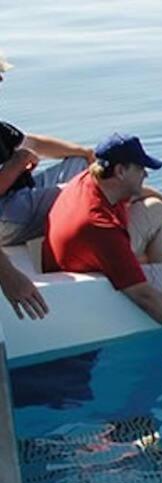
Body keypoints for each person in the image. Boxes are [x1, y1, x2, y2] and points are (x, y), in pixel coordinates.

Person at [43, 133, 162, 343]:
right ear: (120, 171)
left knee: (156, 209)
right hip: (86, 273)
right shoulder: (100, 226)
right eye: (140, 168)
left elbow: (139, 191)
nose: (146, 174)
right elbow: (142, 295)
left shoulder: (94, 178)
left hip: (89, 250)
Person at [0, 52, 95, 319]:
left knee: (80, 165)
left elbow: (36, 144)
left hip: (19, 197)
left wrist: (86, 153)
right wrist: (16, 164)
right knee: (86, 190)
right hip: (7, 215)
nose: (1, 79)